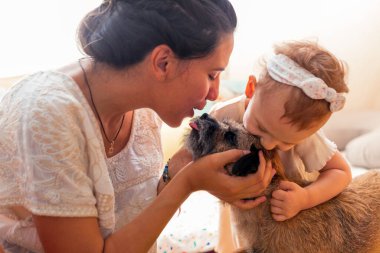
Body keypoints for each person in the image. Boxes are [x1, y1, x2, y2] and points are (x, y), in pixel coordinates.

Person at [0, 1, 276, 253]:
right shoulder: (50, 114)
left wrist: (179, 170)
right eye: (212, 74)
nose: (215, 93)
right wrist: (188, 183)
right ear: (163, 62)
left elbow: (134, 211)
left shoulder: (145, 107)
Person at [168, 40, 352, 251]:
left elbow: (341, 171)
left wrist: (305, 198)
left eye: (286, 142)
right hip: (239, 211)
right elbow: (188, 158)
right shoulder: (224, 115)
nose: (268, 143)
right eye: (261, 127)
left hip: (287, 217)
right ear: (251, 89)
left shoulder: (306, 137)